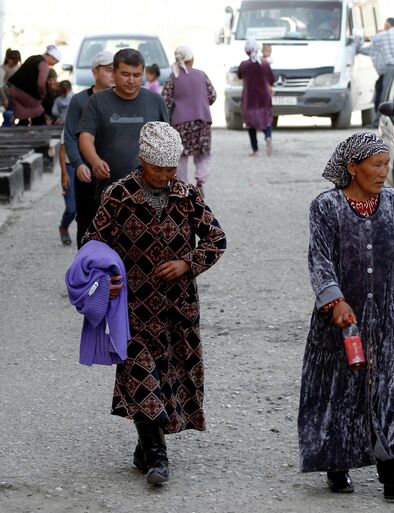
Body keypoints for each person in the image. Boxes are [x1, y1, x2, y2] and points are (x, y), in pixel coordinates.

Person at [82, 121, 226, 484]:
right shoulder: (118, 195)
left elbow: (216, 239)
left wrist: (187, 264)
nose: (165, 175)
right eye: (157, 167)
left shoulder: (188, 196)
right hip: (132, 309)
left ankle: (145, 446)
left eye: (171, 167)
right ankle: (158, 457)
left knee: (171, 377)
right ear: (142, 160)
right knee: (142, 374)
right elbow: (92, 243)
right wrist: (108, 278)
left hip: (179, 308)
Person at [298, 132, 394, 501]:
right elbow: (320, 260)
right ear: (352, 168)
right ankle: (336, 464)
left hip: (388, 323)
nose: (383, 172)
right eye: (376, 165)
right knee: (340, 394)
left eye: (386, 164)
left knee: (393, 392)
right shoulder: (326, 206)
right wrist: (335, 301)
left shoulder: (393, 202)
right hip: (341, 325)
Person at [77, 48, 168, 246]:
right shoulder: (97, 102)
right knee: (110, 247)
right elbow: (85, 137)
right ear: (114, 73)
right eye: (125, 74)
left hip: (150, 191)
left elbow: (167, 141)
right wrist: (94, 161)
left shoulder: (155, 101)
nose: (131, 80)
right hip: (109, 190)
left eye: (137, 75)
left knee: (147, 246)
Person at [63, 50, 114, 248]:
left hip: (115, 173)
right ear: (95, 72)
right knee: (86, 221)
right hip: (87, 174)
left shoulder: (120, 100)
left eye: (115, 70)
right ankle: (85, 268)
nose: (113, 74)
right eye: (108, 70)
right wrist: (77, 164)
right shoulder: (79, 101)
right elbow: (69, 136)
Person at [161, 45, 216, 193]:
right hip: (202, 120)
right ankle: (200, 181)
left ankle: (182, 186)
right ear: (191, 59)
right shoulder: (201, 75)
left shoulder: (173, 77)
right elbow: (212, 96)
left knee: (181, 156)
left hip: (180, 124)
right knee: (202, 153)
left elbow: (165, 100)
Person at [356, 17, 394, 127]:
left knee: (386, 94)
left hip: (390, 68)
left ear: (387, 25)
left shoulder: (384, 35)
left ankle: (379, 122)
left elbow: (367, 39)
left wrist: (357, 39)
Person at [7, 44, 61, 125]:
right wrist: (42, 95)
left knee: (24, 116)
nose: (53, 65)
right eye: (54, 62)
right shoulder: (44, 64)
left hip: (12, 89)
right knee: (39, 112)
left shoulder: (32, 58)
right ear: (51, 57)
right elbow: (41, 84)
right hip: (24, 93)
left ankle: (22, 131)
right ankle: (40, 134)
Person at [238, 40, 274, 157]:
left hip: (249, 98)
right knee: (266, 119)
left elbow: (239, 75)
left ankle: (255, 150)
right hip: (264, 97)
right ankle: (268, 137)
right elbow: (272, 79)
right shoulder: (265, 63)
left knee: (251, 123)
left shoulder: (244, 64)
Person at [1, 48, 22, 125]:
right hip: (5, 94)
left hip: (15, 94)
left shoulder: (18, 68)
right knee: (8, 114)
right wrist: (5, 98)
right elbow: (1, 85)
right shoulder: (3, 69)